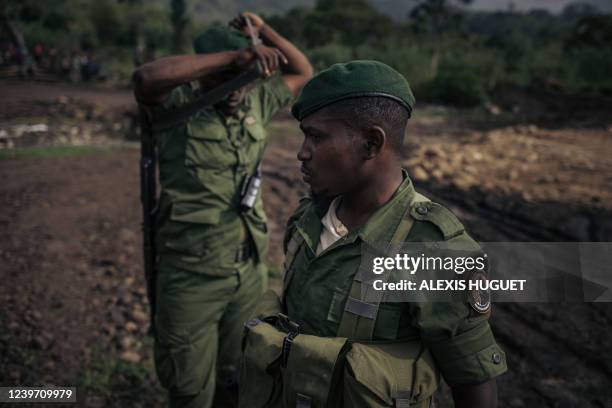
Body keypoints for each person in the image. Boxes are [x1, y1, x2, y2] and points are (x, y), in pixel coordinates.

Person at [240, 61, 507, 408]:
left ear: (371, 143)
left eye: (316, 136)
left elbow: (474, 382)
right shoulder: (309, 218)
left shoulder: (435, 250)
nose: (301, 152)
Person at [132, 12, 312, 408]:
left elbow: (302, 69)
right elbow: (144, 79)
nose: (235, 90)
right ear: (201, 75)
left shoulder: (257, 101)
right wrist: (234, 60)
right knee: (190, 389)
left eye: (243, 81)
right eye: (224, 80)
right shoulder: (176, 107)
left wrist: (262, 32)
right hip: (190, 275)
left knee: (239, 380)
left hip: (247, 271)